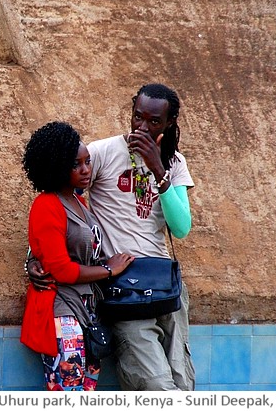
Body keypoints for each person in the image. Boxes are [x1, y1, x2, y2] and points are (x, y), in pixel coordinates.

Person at [27, 83, 196, 391]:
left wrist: (160, 171)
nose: (142, 127)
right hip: (124, 286)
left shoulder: (175, 163)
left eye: (154, 121)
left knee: (181, 379)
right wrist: (35, 257)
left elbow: (181, 228)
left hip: (166, 285)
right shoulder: (102, 153)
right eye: (137, 117)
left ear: (169, 123)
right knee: (153, 384)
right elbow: (58, 202)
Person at [19, 121, 135, 391]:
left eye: (87, 162)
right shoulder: (47, 206)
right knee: (67, 392)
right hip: (63, 311)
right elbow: (62, 271)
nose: (86, 170)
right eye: (76, 164)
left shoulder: (80, 203)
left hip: (89, 312)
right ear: (57, 165)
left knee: (87, 391)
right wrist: (110, 269)